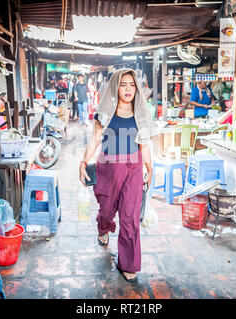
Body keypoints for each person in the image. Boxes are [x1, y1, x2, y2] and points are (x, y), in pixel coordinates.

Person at [78, 68, 158, 282]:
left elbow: (146, 143)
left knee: (130, 217)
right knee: (106, 209)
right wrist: (84, 161)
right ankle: (103, 227)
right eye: (123, 84)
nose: (128, 89)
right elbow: (95, 138)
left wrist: (149, 168)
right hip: (109, 168)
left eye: (132, 85)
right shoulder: (105, 110)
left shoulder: (141, 111)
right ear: (116, 87)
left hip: (133, 168)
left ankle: (128, 262)